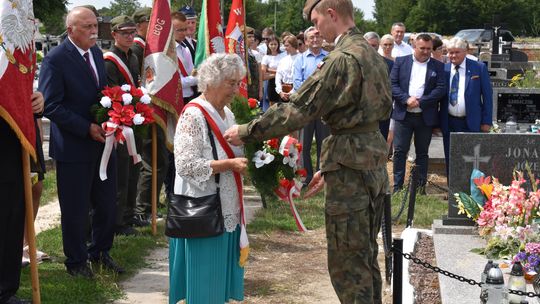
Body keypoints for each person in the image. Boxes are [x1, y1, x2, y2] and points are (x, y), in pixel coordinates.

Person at [223, 0, 392, 302]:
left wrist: (247, 131)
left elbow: (300, 109)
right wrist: (333, 165)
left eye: (316, 21)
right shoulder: (371, 53)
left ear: (331, 14)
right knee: (365, 254)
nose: (315, 29)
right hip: (369, 161)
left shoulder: (342, 58)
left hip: (351, 166)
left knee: (347, 262)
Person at [40, 6, 123, 278]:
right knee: (75, 209)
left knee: (107, 204)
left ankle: (99, 251)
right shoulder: (55, 59)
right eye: (86, 26)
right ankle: (76, 261)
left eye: (95, 25)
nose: (93, 30)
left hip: (102, 143)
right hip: (73, 146)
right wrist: (86, 127)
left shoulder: (97, 54)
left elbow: (101, 95)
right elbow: (51, 105)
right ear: (70, 30)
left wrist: (116, 114)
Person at [169, 53, 248, 304]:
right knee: (204, 285)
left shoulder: (227, 113)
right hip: (202, 210)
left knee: (217, 286)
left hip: (226, 207)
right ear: (212, 81)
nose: (236, 89)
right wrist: (228, 164)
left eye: (238, 83)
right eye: (231, 83)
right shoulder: (193, 115)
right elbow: (185, 165)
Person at [390, 33, 446, 193]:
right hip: (404, 115)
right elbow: (392, 84)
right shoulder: (401, 62)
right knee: (400, 151)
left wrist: (421, 101)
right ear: (414, 46)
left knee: (422, 152)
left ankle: (420, 187)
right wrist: (406, 99)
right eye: (422, 48)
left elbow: (440, 89)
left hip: (424, 116)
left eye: (429, 49)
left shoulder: (438, 65)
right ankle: (398, 187)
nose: (426, 51)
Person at [104, 15, 141, 236]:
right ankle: (117, 222)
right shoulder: (110, 60)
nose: (129, 36)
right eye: (124, 32)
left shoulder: (133, 56)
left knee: (133, 169)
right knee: (121, 172)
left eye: (132, 32)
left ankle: (128, 215)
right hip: (118, 121)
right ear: (114, 34)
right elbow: (112, 92)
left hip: (133, 118)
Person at [439, 37, 493, 174]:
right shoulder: (444, 69)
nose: (453, 55)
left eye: (457, 52)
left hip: (472, 122)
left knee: (472, 159)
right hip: (449, 121)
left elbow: (487, 96)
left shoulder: (478, 68)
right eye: (450, 52)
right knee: (451, 158)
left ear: (465, 52)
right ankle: (452, 191)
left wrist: (486, 121)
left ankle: (471, 192)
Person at [293, 26, 329, 186]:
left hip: (323, 108)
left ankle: (321, 176)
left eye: (318, 37)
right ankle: (306, 177)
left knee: (324, 143)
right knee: (304, 144)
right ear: (306, 41)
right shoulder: (300, 59)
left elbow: (331, 82)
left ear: (322, 39)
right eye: (311, 38)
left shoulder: (329, 58)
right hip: (306, 109)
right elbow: (297, 83)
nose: (315, 40)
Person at [364, 32, 393, 142]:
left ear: (378, 46)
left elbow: (392, 88)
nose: (372, 48)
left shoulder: (389, 64)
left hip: (382, 114)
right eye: (369, 45)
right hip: (361, 114)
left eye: (374, 45)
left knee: (380, 146)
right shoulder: (354, 63)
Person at [260, 35, 285, 106]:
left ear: (278, 45)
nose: (273, 46)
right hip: (271, 83)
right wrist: (278, 73)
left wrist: (269, 70)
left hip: (283, 82)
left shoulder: (283, 55)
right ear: (268, 45)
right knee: (272, 105)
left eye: (275, 44)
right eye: (271, 44)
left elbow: (285, 70)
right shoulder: (266, 57)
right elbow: (263, 73)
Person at [275, 35, 299, 102]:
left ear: (293, 45)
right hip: (283, 92)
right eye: (284, 45)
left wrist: (291, 92)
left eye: (287, 45)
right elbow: (278, 76)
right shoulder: (283, 60)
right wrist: (280, 91)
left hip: (297, 92)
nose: (285, 48)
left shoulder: (301, 58)